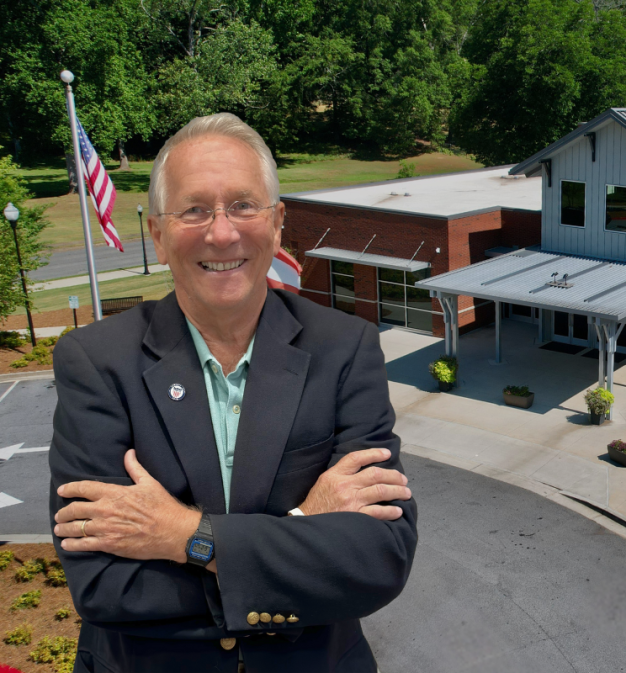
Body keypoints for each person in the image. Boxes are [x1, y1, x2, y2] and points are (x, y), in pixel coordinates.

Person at [48, 113, 417, 673]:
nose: (222, 233)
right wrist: (300, 536)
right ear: (157, 232)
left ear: (276, 222)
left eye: (243, 205)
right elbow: (102, 583)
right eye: (194, 209)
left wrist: (184, 536)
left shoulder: (346, 349)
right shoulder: (96, 363)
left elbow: (378, 560)